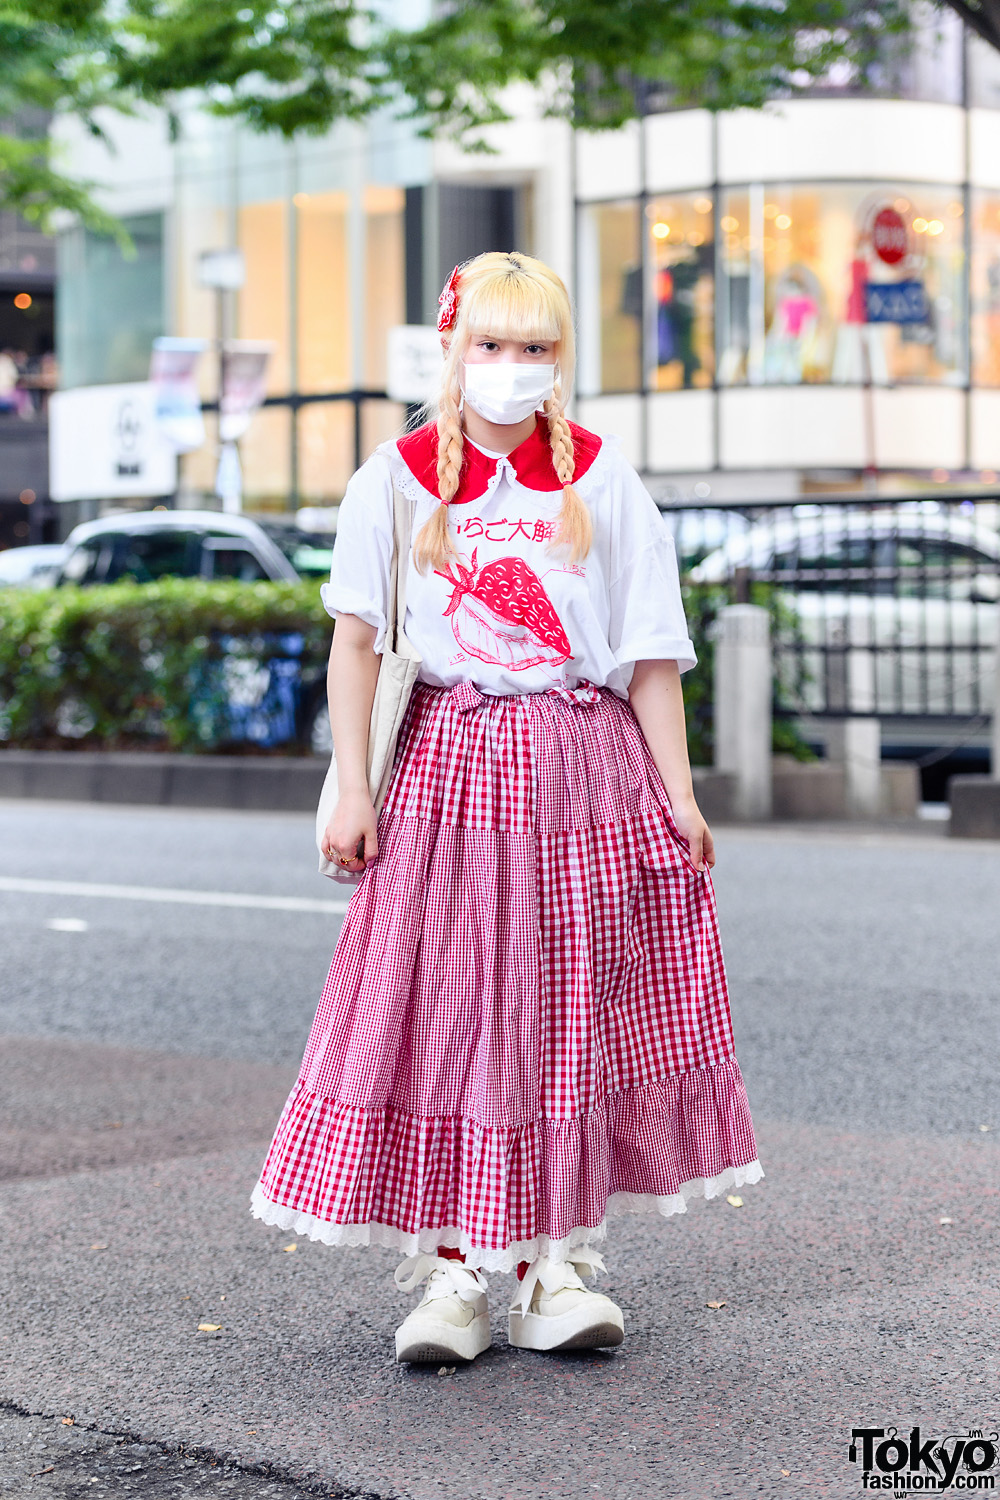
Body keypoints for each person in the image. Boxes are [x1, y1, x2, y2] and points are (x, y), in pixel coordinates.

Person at [250, 251, 762, 1363]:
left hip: (586, 770)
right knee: (451, 1008)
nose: (513, 368)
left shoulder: (598, 477)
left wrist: (677, 796)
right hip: (448, 767)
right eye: (492, 345)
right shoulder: (395, 477)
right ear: (452, 350)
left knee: (568, 1012)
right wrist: (351, 784)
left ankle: (550, 1266)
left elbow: (649, 656)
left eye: (536, 348)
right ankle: (450, 1275)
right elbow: (357, 640)